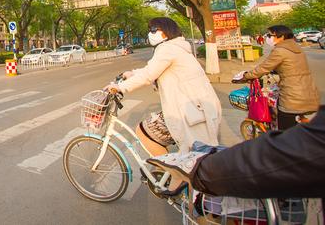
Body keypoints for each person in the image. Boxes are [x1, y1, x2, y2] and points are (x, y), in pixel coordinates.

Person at [147, 105, 325, 200]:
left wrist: (202, 170)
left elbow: (292, 152)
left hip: (188, 113)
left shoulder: (167, 51)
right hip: (197, 110)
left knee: (147, 132)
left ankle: (169, 178)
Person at [106, 17, 222, 156]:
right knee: (197, 156)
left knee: (144, 132)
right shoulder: (177, 47)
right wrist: (131, 73)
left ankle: (167, 170)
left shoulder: (167, 48)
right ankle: (171, 171)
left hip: (192, 111)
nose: (150, 33)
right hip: (199, 107)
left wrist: (120, 87)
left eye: (153, 30)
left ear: (166, 31)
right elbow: (154, 69)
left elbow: (149, 75)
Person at [233, 25, 319, 130]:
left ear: (281, 36)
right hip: (308, 91)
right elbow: (291, 66)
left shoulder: (280, 50)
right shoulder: (296, 48)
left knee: (285, 131)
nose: (268, 38)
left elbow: (263, 68)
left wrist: (245, 76)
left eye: (270, 35)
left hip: (292, 95)